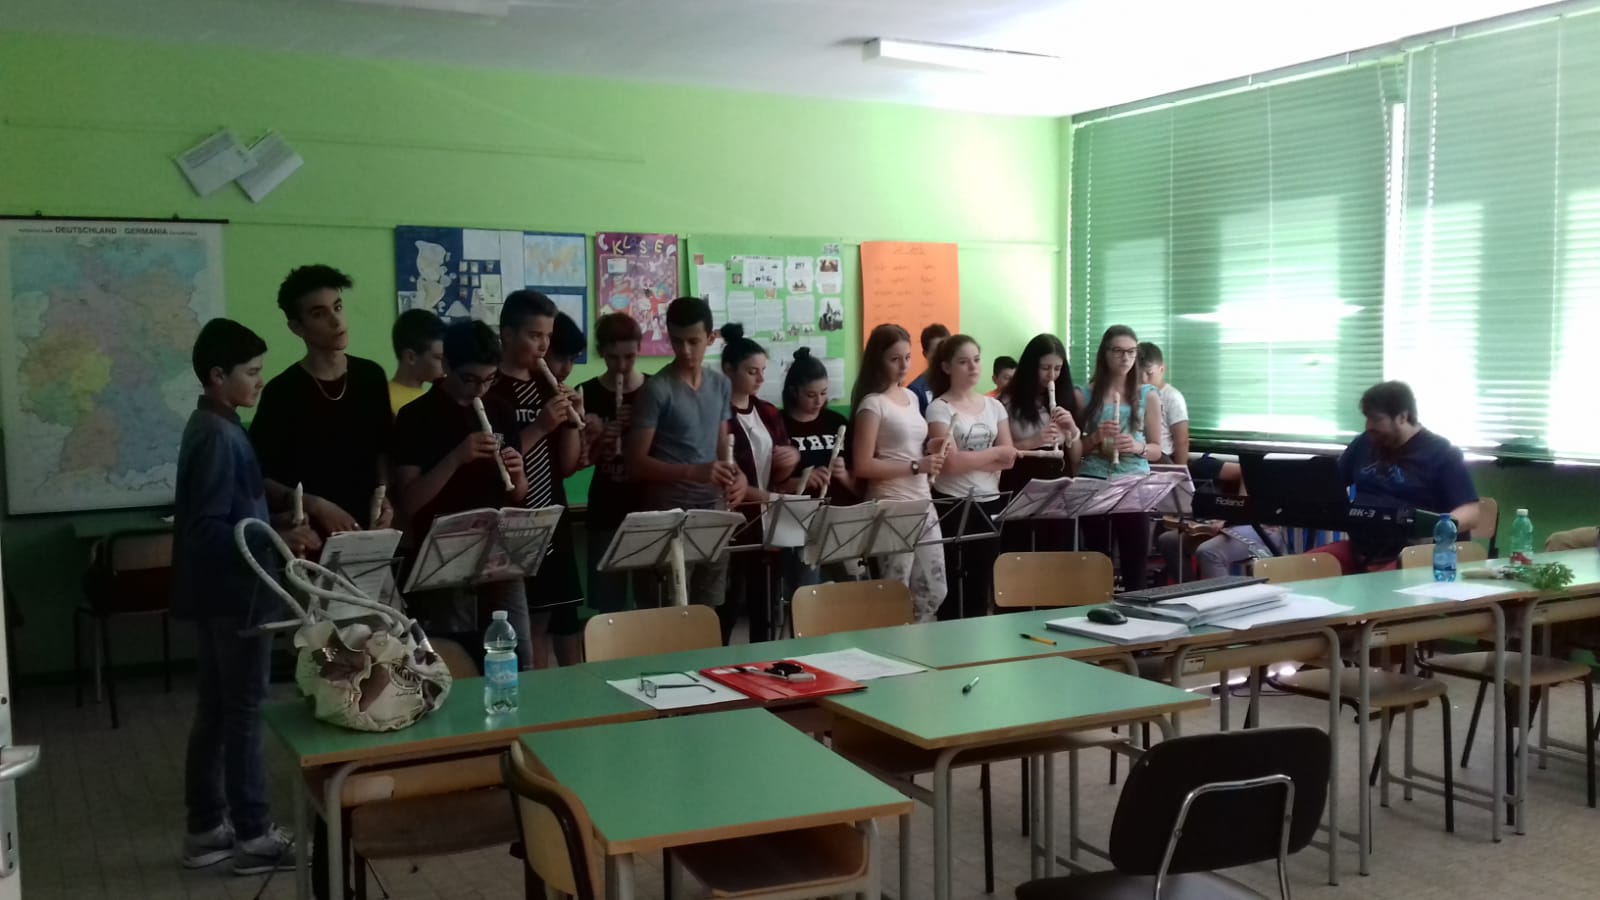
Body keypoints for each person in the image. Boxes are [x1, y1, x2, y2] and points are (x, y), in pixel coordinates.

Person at [176, 319, 319, 875]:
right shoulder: (217, 435)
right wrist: (276, 538)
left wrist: (277, 524)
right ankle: (255, 835)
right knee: (243, 713)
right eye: (252, 372)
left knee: (217, 711)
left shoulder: (216, 424)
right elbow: (208, 530)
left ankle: (206, 829)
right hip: (237, 598)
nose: (260, 381)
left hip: (224, 594)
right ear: (218, 376)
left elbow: (234, 516)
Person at [249, 265, 394, 533]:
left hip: (368, 529)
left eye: (337, 307)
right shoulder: (282, 392)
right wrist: (312, 504)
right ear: (296, 327)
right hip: (310, 536)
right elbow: (258, 478)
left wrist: (384, 494)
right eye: (319, 314)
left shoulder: (371, 376)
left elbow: (382, 449)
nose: (336, 321)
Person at [625, 297, 747, 611]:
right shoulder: (657, 389)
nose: (685, 351)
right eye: (677, 341)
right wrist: (693, 471)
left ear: (711, 338)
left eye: (694, 341)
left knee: (708, 610)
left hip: (713, 512)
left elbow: (723, 447)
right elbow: (635, 463)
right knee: (670, 613)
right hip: (669, 516)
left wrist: (739, 477)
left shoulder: (720, 385)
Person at [486, 292, 583, 668]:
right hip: (513, 523)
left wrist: (573, 421)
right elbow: (495, 465)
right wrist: (541, 426)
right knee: (526, 628)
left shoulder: (547, 385)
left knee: (553, 616)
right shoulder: (491, 388)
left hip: (553, 519)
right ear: (507, 335)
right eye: (534, 335)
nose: (543, 346)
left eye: (547, 336)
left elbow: (567, 465)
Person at [1320, 381, 1480, 573]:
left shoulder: (1441, 453)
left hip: (1411, 554)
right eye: (1367, 418)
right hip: (1360, 549)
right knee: (1304, 569)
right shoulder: (1364, 443)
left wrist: (1432, 530)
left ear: (1402, 417)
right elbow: (1330, 485)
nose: (1368, 426)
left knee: (1378, 583)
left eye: (1376, 419)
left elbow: (1471, 513)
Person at [851, 324, 947, 621]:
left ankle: (915, 636)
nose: (904, 365)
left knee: (935, 589)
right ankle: (897, 640)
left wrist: (931, 447)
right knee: (896, 590)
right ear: (878, 360)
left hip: (922, 501)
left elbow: (910, 447)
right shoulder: (872, 403)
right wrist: (916, 466)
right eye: (894, 359)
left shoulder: (912, 397)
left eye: (907, 357)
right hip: (892, 504)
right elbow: (863, 465)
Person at [925, 335, 1018, 619]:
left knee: (982, 581)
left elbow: (1009, 458)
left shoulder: (995, 407)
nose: (973, 367)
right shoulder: (939, 407)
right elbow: (950, 463)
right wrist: (993, 454)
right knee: (952, 582)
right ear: (947, 367)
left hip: (989, 501)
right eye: (964, 362)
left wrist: (978, 458)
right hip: (952, 502)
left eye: (976, 360)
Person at [720, 323, 800, 641]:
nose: (761, 379)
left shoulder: (767, 411)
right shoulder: (719, 414)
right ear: (728, 370)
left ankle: (764, 663)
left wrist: (790, 460)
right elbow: (725, 477)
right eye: (752, 371)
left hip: (769, 522)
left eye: (763, 371)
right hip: (735, 524)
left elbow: (779, 470)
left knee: (765, 606)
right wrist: (764, 496)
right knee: (729, 604)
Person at [1078, 325, 1163, 591]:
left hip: (1134, 482)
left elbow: (1157, 449)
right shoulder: (1083, 394)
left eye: (1131, 352)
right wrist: (1096, 438)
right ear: (1104, 353)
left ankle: (1135, 610)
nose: (1125, 358)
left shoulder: (1148, 395)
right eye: (1118, 351)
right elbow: (1075, 451)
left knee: (1135, 560)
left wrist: (1137, 447)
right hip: (1094, 479)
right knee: (1097, 560)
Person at [578, 312, 647, 613]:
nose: (621, 366)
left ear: (639, 349)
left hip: (647, 508)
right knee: (609, 607)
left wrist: (640, 429)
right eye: (613, 357)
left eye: (629, 356)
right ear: (601, 353)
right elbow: (576, 463)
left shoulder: (653, 390)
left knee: (651, 604)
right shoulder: (586, 393)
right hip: (605, 509)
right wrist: (602, 440)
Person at [779, 347, 858, 586]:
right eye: (811, 395)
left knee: (854, 586)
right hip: (799, 522)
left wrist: (844, 475)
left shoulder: (836, 422)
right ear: (793, 391)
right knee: (809, 588)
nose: (819, 401)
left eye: (824, 393)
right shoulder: (779, 424)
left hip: (840, 518)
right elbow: (770, 485)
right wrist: (802, 480)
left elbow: (859, 482)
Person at [999, 334, 1083, 552]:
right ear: (1030, 367)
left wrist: (1072, 430)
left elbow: (1076, 458)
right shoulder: (1007, 402)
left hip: (1058, 484)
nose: (1052, 375)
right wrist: (1036, 441)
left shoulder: (1065, 397)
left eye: (1057, 368)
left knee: (1057, 550)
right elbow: (1001, 452)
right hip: (1021, 482)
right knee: (1021, 549)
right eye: (1045, 368)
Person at [1137, 342, 1190, 464]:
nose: (1143, 379)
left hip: (1161, 458)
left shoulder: (1172, 397)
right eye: (1138, 374)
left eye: (1149, 373)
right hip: (1135, 458)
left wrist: (1179, 471)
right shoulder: (1130, 394)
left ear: (1161, 369)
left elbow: (1181, 441)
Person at [388, 308, 445, 416]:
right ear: (411, 357)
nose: (446, 365)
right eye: (439, 358)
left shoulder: (432, 400)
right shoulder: (384, 401)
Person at [905, 323, 950, 416]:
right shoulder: (915, 390)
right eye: (936, 352)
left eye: (945, 350)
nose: (941, 356)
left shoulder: (958, 381)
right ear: (925, 354)